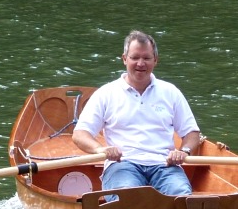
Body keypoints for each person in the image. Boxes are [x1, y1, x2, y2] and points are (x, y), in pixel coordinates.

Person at [72, 30, 202, 199]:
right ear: (124, 59)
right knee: (128, 199)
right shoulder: (106, 93)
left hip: (164, 165)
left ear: (155, 60)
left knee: (183, 199)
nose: (141, 63)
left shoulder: (171, 92)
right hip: (123, 164)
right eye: (135, 57)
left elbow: (192, 132)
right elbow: (79, 134)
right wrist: (100, 149)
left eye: (146, 58)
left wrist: (184, 151)